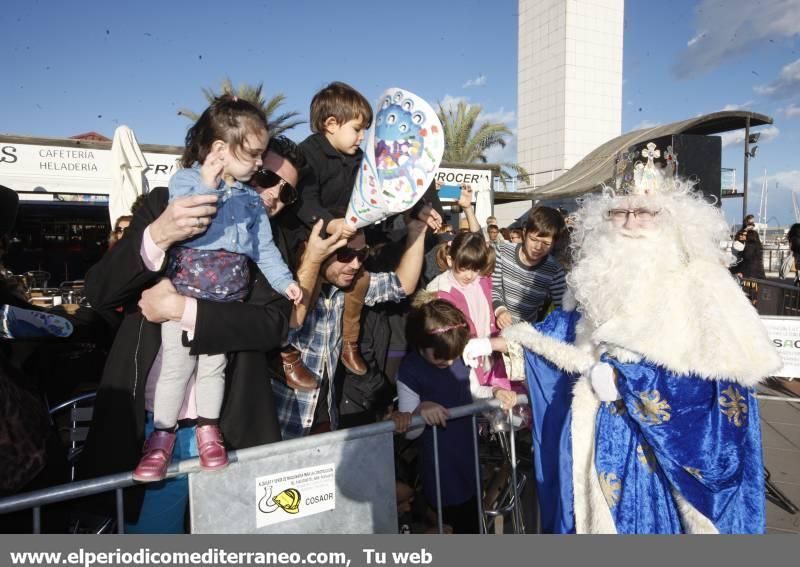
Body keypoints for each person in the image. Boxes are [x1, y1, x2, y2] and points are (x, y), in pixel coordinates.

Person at [502, 142, 781, 533]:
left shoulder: (704, 283)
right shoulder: (595, 281)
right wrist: (508, 342)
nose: (630, 222)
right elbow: (563, 333)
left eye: (645, 212)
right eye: (619, 212)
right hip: (603, 444)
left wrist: (629, 379)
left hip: (662, 464)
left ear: (673, 220)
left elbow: (724, 387)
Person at [78, 135, 318, 532]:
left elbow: (273, 324)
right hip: (148, 426)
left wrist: (182, 309)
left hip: (226, 428)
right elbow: (100, 292)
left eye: (286, 192)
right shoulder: (163, 204)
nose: (274, 194)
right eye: (265, 177)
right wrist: (159, 236)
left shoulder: (265, 239)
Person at [132, 96, 302, 483]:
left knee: (214, 370)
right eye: (255, 155)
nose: (260, 163)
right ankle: (162, 435)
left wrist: (284, 282)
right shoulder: (187, 180)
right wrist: (211, 182)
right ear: (221, 150)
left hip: (224, 302)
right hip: (186, 292)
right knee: (176, 368)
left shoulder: (252, 202)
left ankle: (209, 428)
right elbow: (192, 214)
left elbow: (264, 251)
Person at [272, 203, 437, 439]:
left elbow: (404, 284)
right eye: (345, 254)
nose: (356, 264)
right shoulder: (283, 283)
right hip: (282, 429)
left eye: (362, 255)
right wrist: (312, 259)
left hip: (324, 424)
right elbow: (292, 322)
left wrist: (416, 232)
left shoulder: (350, 289)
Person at [396, 300, 515, 534]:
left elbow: (474, 394)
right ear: (421, 344)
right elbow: (411, 430)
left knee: (472, 521)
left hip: (468, 460)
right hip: (441, 470)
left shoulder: (458, 355)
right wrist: (420, 411)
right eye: (440, 357)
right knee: (452, 524)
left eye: (453, 356)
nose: (449, 362)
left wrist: (494, 392)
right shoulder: (410, 369)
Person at [292, 81, 374, 377]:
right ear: (330, 124)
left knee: (361, 281)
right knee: (306, 284)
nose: (362, 137)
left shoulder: (359, 160)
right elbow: (304, 199)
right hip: (309, 236)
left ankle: (349, 342)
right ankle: (288, 348)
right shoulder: (308, 154)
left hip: (346, 238)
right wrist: (329, 223)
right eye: (357, 129)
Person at [424, 232, 514, 401]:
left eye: (475, 269)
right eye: (464, 268)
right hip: (463, 361)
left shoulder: (482, 280)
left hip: (489, 355)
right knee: (473, 400)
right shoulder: (440, 291)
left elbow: (492, 298)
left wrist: (499, 311)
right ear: (451, 260)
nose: (469, 275)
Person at [492, 207, 567, 329]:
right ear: (525, 232)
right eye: (533, 239)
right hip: (495, 324)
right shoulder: (502, 252)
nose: (538, 247)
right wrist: (500, 310)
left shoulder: (554, 270)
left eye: (546, 244)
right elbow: (494, 287)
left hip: (526, 332)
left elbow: (564, 305)